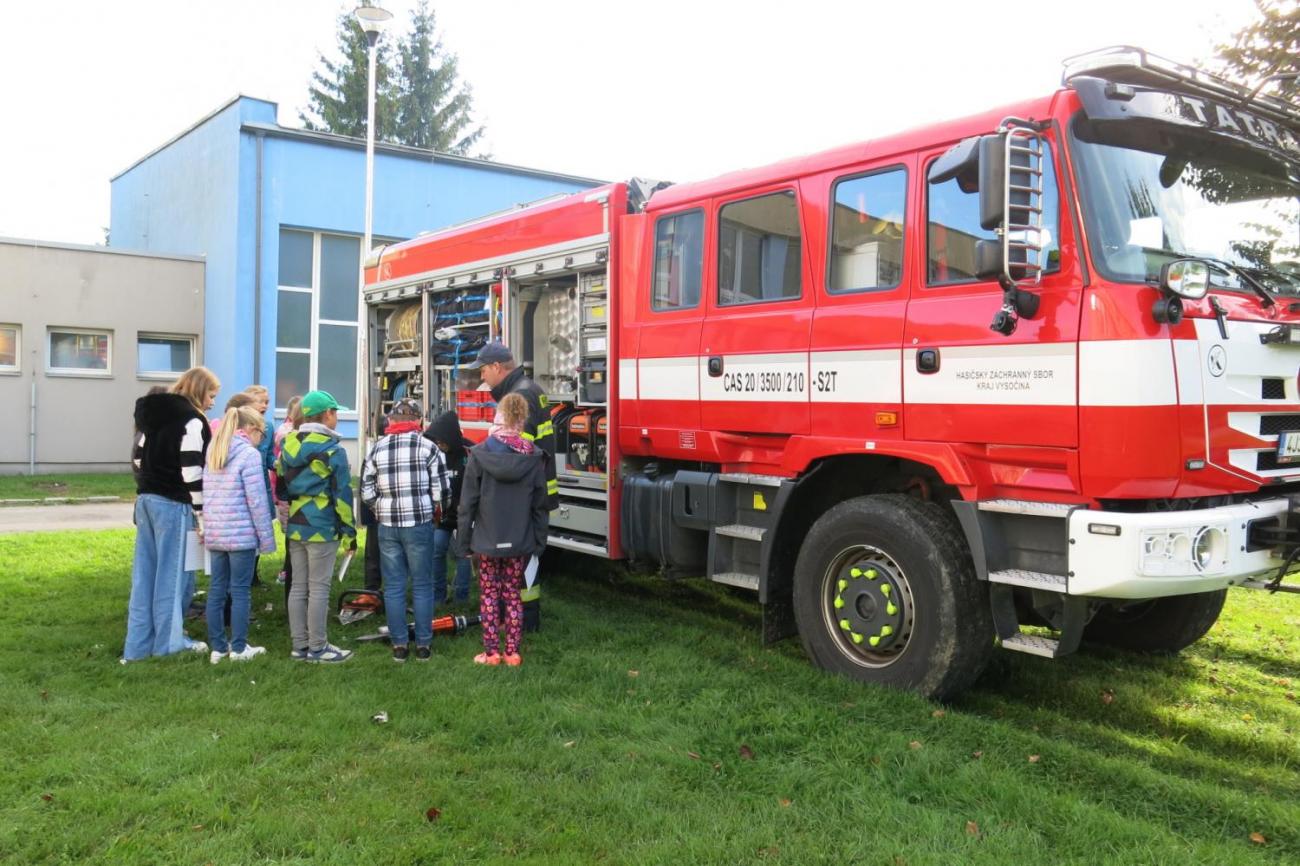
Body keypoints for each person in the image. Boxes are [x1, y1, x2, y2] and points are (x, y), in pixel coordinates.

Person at [123, 365, 220, 661]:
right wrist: (201, 510)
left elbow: (138, 456)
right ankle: (168, 644)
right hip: (174, 503)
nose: (213, 401)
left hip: (146, 501)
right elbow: (191, 466)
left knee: (145, 577)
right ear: (200, 390)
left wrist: (148, 484)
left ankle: (137, 647)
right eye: (212, 394)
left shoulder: (152, 416)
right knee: (172, 577)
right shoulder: (192, 420)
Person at [466, 342, 556, 632]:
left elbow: (515, 453)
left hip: (519, 497)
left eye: (483, 370)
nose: (483, 378)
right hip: (536, 493)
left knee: (515, 563)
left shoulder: (518, 395)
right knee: (527, 565)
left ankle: (520, 621)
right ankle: (525, 619)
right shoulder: (531, 388)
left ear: (497, 367)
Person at [457, 393, 549, 667]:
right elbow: (539, 506)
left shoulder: (480, 453)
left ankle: (491, 653)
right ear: (522, 419)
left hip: (486, 540)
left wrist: (463, 543)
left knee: (488, 594)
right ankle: (512, 653)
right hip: (520, 540)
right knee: (512, 593)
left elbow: (467, 504)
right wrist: (539, 541)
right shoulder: (534, 457)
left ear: (498, 416)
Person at [360, 398, 449, 662]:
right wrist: (434, 509)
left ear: (392, 421)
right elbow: (442, 491)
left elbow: (366, 491)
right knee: (422, 584)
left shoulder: (376, 449)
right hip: (420, 524)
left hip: (387, 526)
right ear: (419, 421)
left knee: (394, 586)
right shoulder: (429, 448)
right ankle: (423, 645)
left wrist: (380, 509)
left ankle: (399, 645)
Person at [276, 390, 356, 663]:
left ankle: (300, 646)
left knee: (298, 586)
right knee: (319, 588)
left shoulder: (288, 444)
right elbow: (343, 495)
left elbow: (281, 485)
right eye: (336, 413)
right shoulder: (333, 450)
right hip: (322, 524)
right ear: (328, 415)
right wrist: (350, 532)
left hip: (296, 523)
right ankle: (319, 648)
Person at [202, 405, 276, 664]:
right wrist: (266, 539)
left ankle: (218, 648)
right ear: (251, 430)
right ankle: (240, 647)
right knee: (241, 590)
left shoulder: (215, 448)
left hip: (216, 532)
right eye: (263, 434)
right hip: (242, 534)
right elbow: (256, 501)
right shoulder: (249, 455)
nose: (262, 439)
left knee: (216, 590)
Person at [424, 409, 475, 604]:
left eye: (442, 440)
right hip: (442, 515)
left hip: (465, 515)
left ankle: (461, 597)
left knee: (464, 554)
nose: (439, 444)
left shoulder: (471, 452)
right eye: (436, 441)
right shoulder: (434, 453)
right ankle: (439, 594)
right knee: (437, 551)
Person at [273, 395, 303, 587]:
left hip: (289, 496)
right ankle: (289, 572)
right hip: (289, 498)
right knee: (292, 539)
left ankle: (291, 573)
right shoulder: (287, 435)